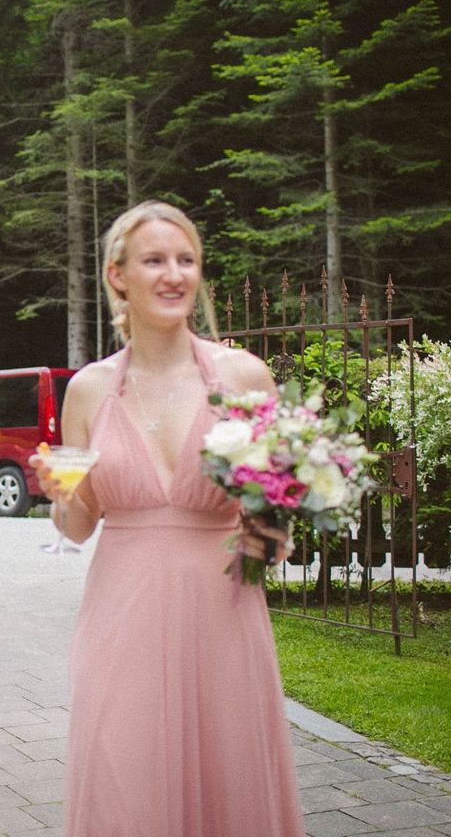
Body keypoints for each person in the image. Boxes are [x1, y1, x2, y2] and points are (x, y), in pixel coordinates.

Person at [35, 201, 306, 836]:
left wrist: (276, 529)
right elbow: (77, 526)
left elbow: (274, 529)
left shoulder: (244, 377)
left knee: (230, 787)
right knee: (124, 785)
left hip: (223, 616)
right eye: (154, 260)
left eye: (186, 260)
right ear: (118, 276)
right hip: (121, 618)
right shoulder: (90, 391)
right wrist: (59, 493)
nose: (174, 274)